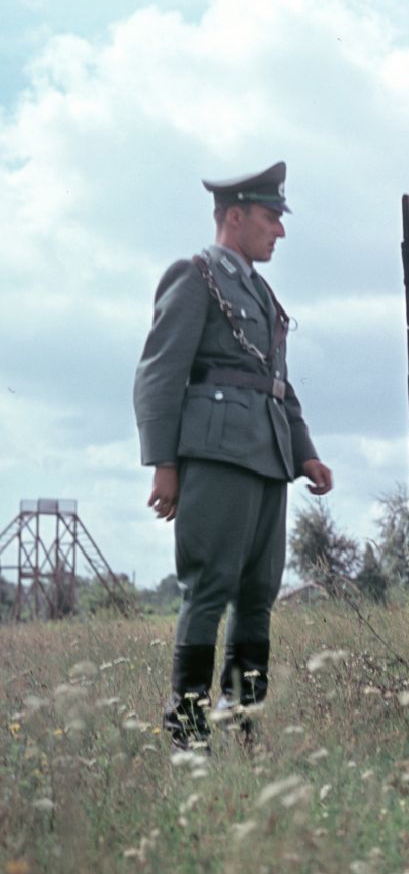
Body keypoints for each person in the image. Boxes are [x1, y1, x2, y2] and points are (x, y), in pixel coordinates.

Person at [134, 162, 333, 750]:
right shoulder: (195, 275)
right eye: (272, 218)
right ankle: (187, 726)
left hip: (269, 458)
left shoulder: (262, 294)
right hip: (216, 457)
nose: (280, 231)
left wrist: (305, 453)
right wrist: (164, 464)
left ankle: (242, 718)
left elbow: (277, 383)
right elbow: (158, 375)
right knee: (211, 587)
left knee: (258, 595)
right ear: (236, 215)